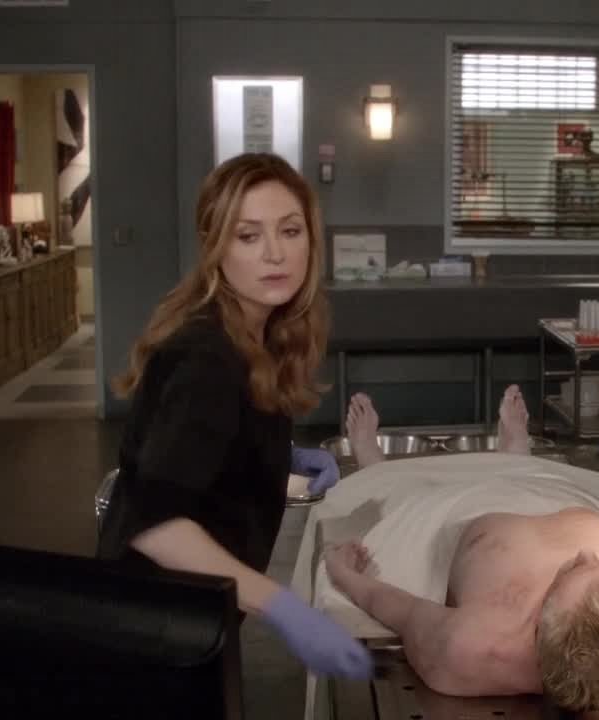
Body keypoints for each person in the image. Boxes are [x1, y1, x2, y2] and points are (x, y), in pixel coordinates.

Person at [96, 153, 370, 679]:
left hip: (194, 623)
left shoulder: (252, 337)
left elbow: (203, 451)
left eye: (290, 231)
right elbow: (155, 524)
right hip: (150, 631)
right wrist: (285, 608)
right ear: (215, 246)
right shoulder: (205, 358)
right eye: (248, 236)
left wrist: (278, 458)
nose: (275, 253)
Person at [324, 387, 599, 713]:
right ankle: (516, 456)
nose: (586, 554)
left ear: (538, 627)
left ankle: (374, 466)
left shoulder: (472, 647)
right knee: (551, 476)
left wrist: (347, 577)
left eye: (573, 572)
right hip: (562, 494)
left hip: (463, 512)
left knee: (406, 499)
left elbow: (405, 611)